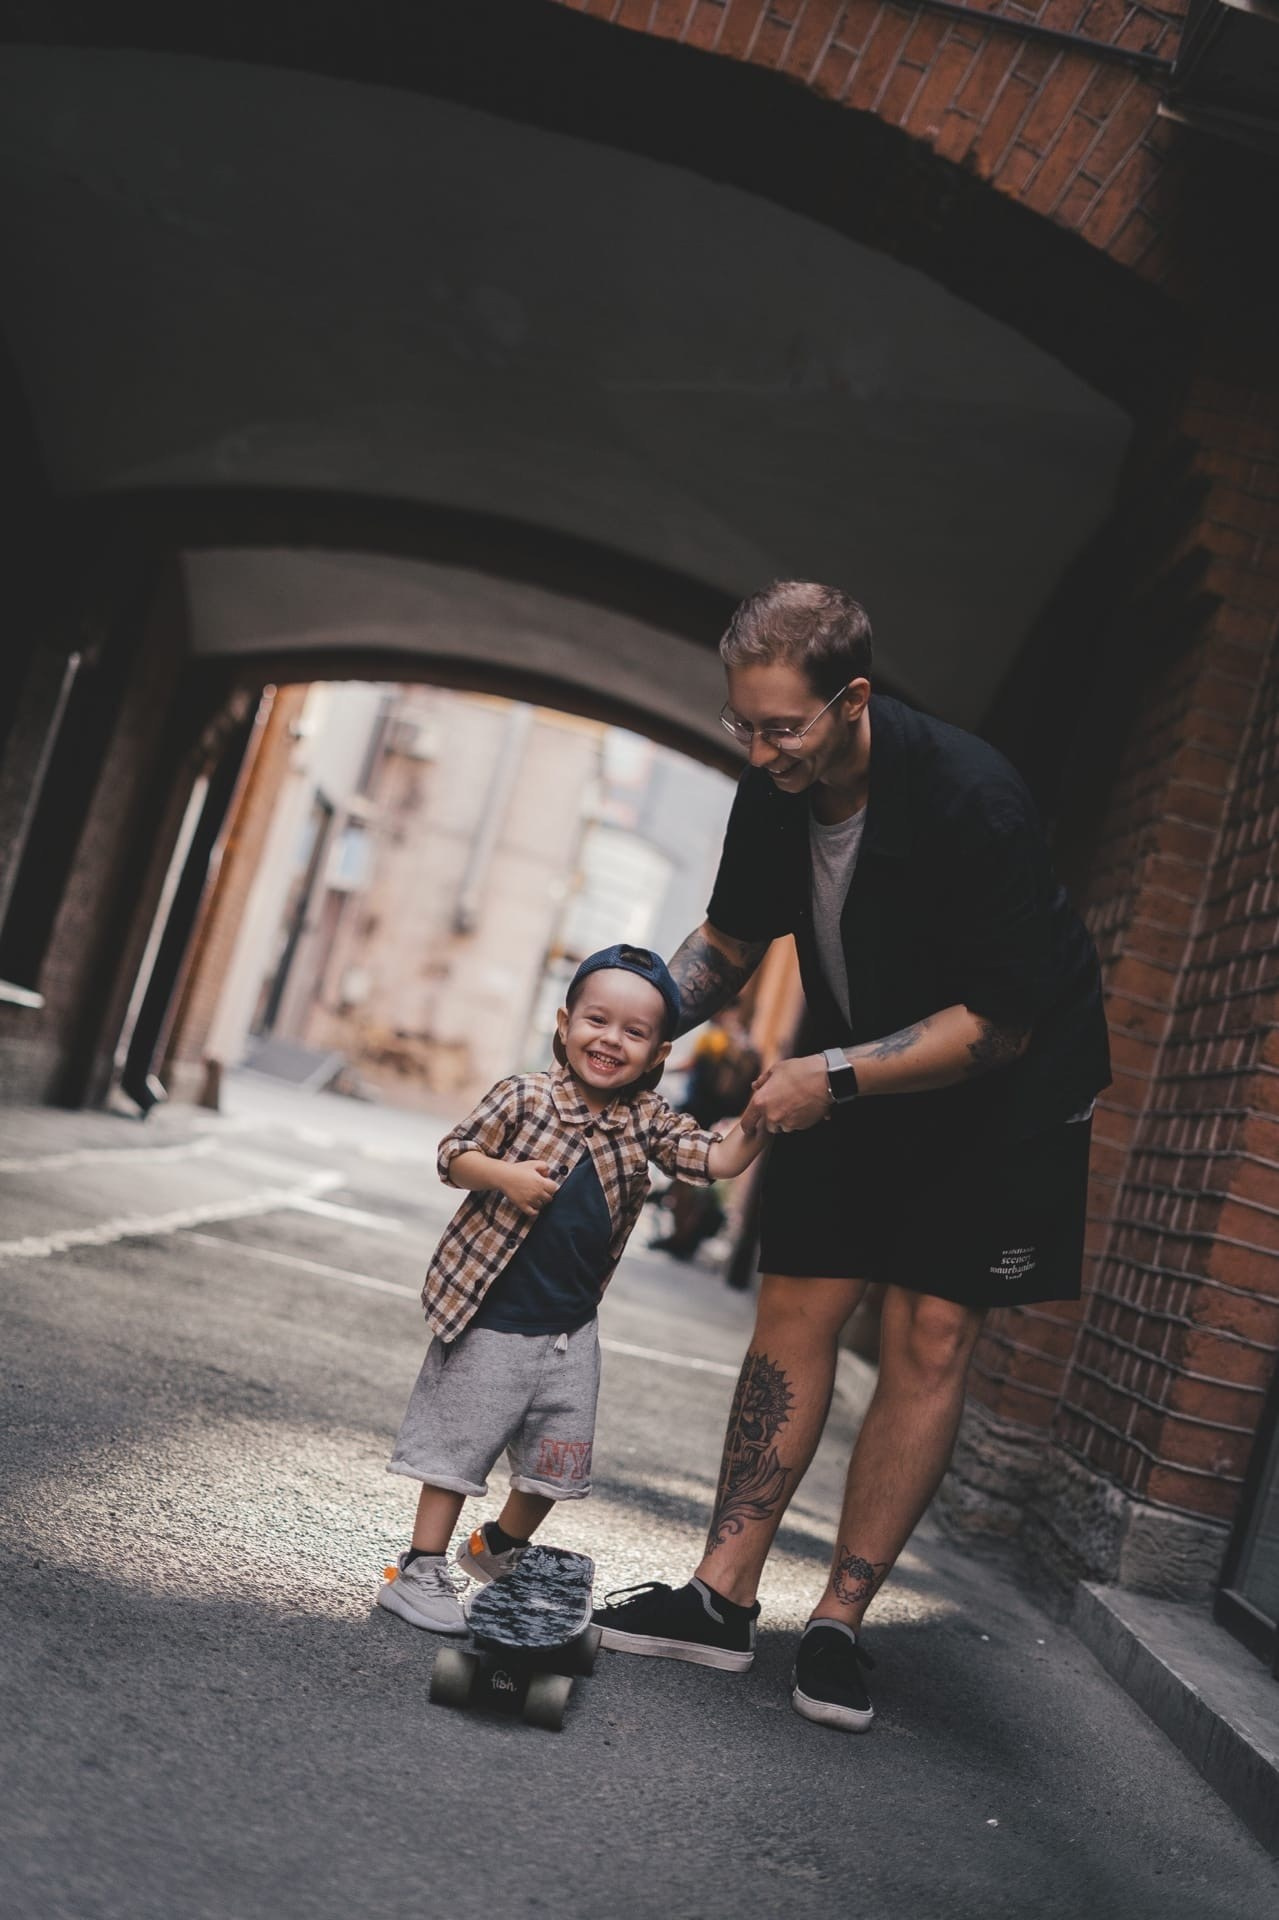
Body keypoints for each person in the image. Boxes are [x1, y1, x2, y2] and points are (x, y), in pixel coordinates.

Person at [592, 581, 1110, 1734]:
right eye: (743, 724)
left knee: (930, 1332)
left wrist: (821, 1076)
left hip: (1005, 1084)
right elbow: (729, 938)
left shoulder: (972, 796)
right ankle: (721, 1597)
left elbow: (1000, 1023)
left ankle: (837, 1620)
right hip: (855, 1054)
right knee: (797, 1307)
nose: (760, 747)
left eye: (783, 727)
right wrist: (635, 1019)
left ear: (853, 700)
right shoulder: (773, 791)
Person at [377, 942, 764, 1634]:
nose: (610, 1040)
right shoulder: (523, 1096)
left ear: (658, 1053)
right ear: (565, 1023)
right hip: (492, 1314)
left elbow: (712, 1157)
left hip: (569, 1331)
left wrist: (763, 1117)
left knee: (555, 1463)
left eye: (633, 1032)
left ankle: (493, 1550)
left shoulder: (644, 1119)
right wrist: (507, 1177)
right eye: (596, 1020)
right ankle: (417, 1569)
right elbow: (453, 1155)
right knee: (457, 1451)